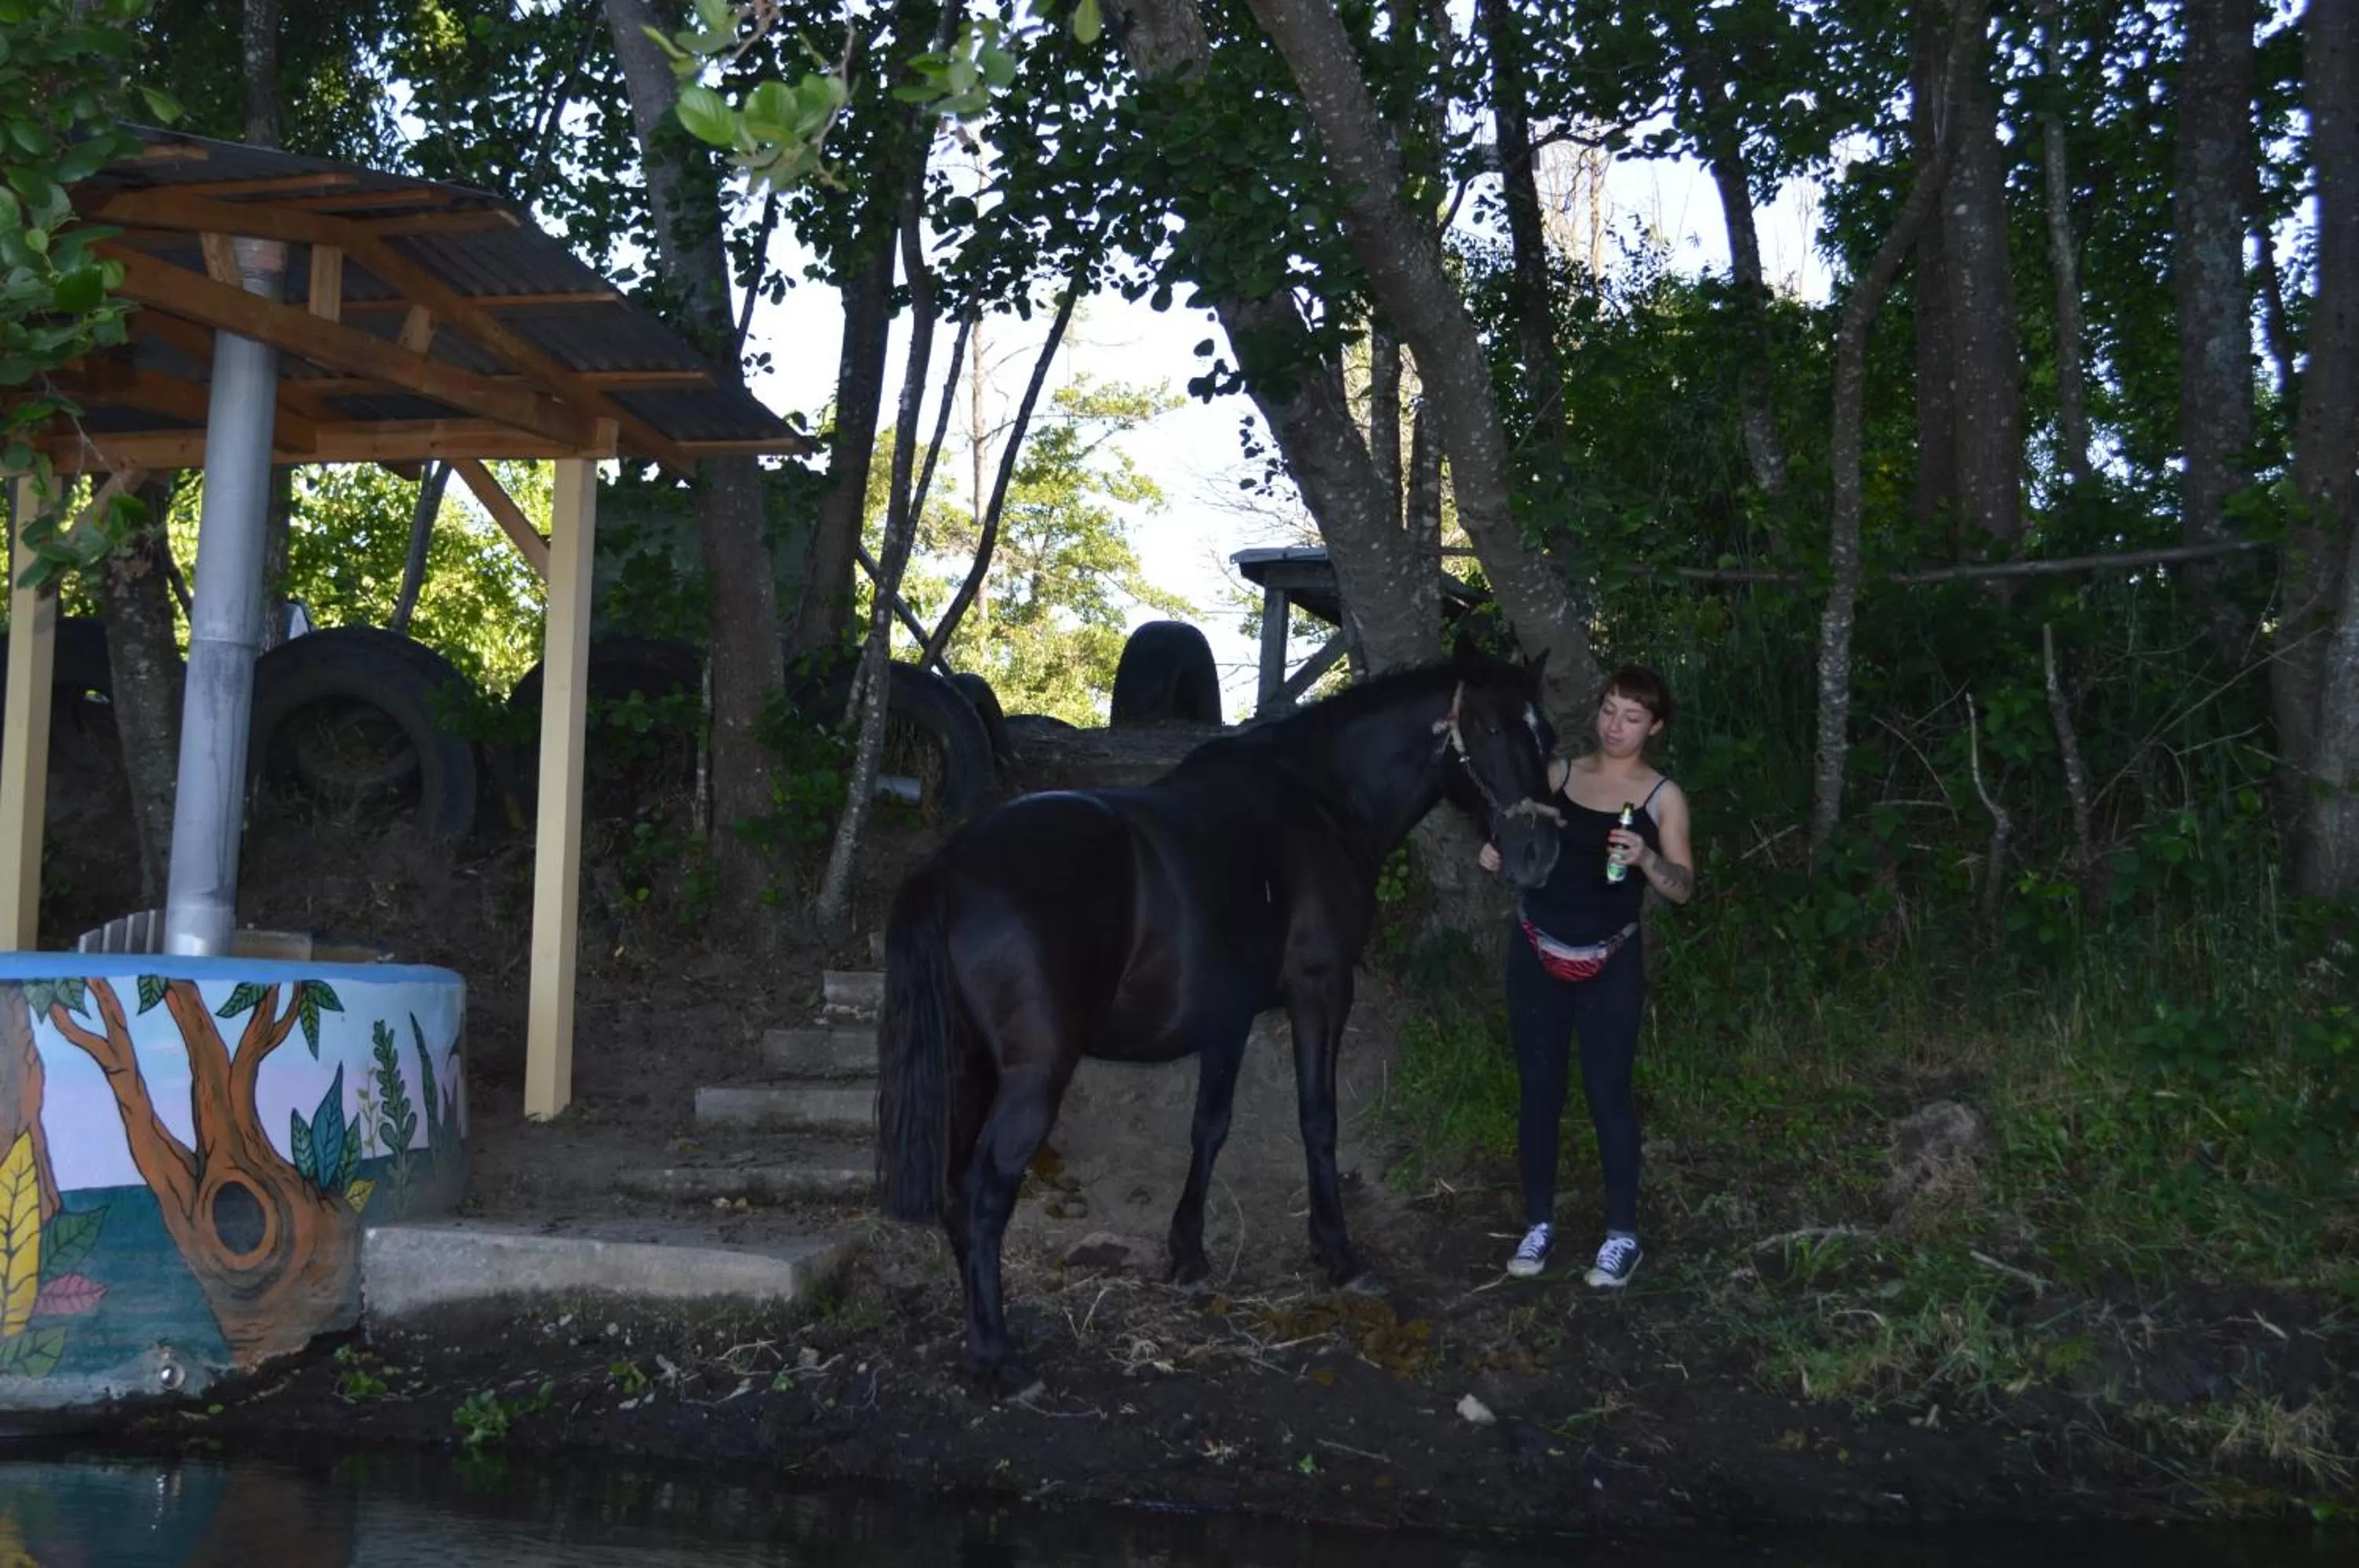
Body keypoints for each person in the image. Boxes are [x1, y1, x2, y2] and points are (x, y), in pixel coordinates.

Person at [1477, 664, 1695, 1288]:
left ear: (1654, 727)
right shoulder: (1558, 774)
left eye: (1631, 716)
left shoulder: (1660, 797)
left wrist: (1648, 858)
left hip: (1610, 960)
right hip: (1537, 951)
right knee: (1539, 1091)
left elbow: (1683, 888)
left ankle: (1621, 1235)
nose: (1615, 725)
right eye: (1608, 710)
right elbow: (1514, 840)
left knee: (1607, 1095)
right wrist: (1495, 852)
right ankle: (1539, 1223)